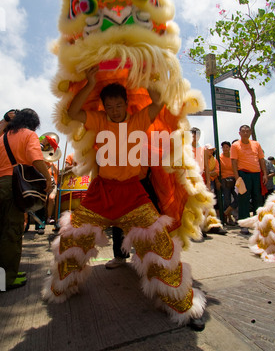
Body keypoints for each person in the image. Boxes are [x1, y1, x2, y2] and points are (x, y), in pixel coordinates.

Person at [43, 67, 206, 331]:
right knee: (73, 239)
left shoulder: (139, 120)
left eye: (119, 105)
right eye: (110, 106)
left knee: (160, 245)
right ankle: (62, 287)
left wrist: (144, 74)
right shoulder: (98, 120)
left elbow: (159, 102)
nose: (115, 110)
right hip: (101, 194)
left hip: (133, 196)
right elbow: (71, 113)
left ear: (126, 104)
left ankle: (181, 305)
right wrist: (91, 82)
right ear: (104, 107)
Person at [0, 109, 52, 290]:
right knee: (12, 232)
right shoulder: (29, 135)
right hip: (14, 186)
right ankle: (7, 279)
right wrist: (48, 178)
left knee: (3, 231)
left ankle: (9, 272)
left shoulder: (3, 136)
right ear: (33, 123)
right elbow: (36, 158)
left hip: (1, 182)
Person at [231, 124, 267, 235]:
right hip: (243, 174)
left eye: (247, 131)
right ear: (239, 133)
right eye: (243, 131)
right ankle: (244, 225)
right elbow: (234, 162)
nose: (245, 133)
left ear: (250, 132)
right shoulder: (235, 145)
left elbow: (261, 160)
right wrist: (237, 178)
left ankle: (259, 224)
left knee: (258, 198)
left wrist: (265, 174)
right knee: (243, 199)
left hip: (256, 174)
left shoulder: (256, 144)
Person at [219, 141, 237, 225]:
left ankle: (225, 212)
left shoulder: (233, 156)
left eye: (227, 147)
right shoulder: (219, 158)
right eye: (223, 147)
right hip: (225, 180)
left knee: (239, 197)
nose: (225, 149)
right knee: (227, 199)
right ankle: (229, 218)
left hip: (234, 179)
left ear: (230, 148)